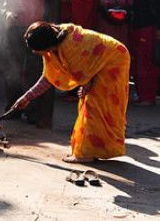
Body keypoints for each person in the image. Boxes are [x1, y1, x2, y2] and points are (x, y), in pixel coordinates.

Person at [12, 22, 129, 163]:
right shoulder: (54, 42)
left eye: (36, 49)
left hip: (114, 59)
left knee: (97, 105)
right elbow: (49, 78)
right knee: (90, 104)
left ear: (46, 46)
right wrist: (27, 97)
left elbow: (85, 80)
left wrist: (85, 86)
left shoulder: (70, 48)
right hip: (102, 60)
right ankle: (93, 150)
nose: (34, 52)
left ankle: (87, 154)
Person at [130, 0, 160, 106]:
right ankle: (142, 94)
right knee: (138, 61)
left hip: (149, 26)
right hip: (137, 25)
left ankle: (148, 97)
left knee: (147, 62)